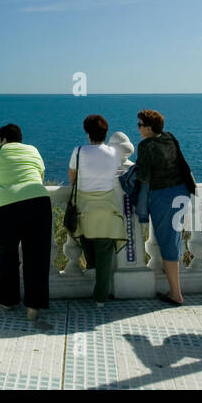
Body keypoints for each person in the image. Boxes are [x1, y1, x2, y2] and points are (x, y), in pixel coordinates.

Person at [0, 122, 52, 328]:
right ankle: (34, 307)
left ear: (2, 139)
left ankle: (7, 300)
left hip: (9, 206)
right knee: (37, 256)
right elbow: (40, 176)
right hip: (39, 202)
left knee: (8, 253)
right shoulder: (33, 150)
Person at [68, 114, 125, 306]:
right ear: (105, 132)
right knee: (105, 250)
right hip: (107, 205)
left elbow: (73, 178)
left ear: (87, 133)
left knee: (83, 235)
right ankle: (100, 298)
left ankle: (91, 264)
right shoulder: (113, 153)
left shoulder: (78, 151)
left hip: (85, 206)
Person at [135, 108, 190, 306]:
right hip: (181, 192)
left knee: (168, 242)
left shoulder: (145, 146)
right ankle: (175, 290)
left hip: (163, 196)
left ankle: (176, 293)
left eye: (140, 125)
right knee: (173, 239)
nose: (139, 129)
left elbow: (143, 176)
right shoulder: (169, 137)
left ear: (148, 129)